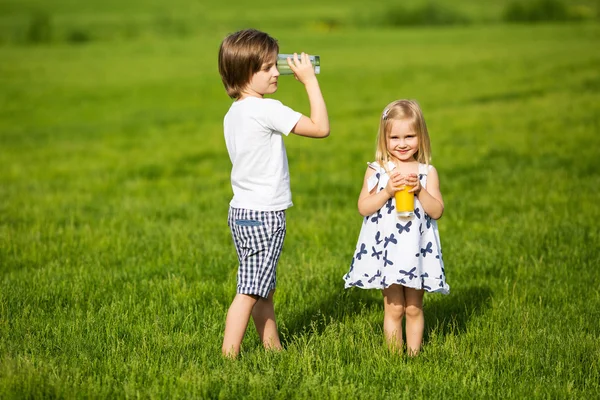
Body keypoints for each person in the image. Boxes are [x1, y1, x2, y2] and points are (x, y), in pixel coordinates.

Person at [218, 28, 329, 358]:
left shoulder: (234, 112)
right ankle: (228, 355)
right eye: (266, 68)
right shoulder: (266, 109)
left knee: (262, 288)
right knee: (249, 290)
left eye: (273, 65)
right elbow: (321, 128)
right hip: (265, 215)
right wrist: (309, 81)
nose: (275, 72)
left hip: (241, 213)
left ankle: (273, 349)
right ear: (244, 72)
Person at [343, 99, 449, 356]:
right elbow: (364, 207)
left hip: (416, 250)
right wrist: (387, 190)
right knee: (394, 308)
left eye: (410, 136)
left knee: (414, 307)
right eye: (395, 138)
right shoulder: (377, 171)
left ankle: (413, 357)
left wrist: (420, 190)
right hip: (388, 252)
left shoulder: (426, 172)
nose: (402, 144)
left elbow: (437, 211)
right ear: (384, 139)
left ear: (421, 137)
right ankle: (393, 358)